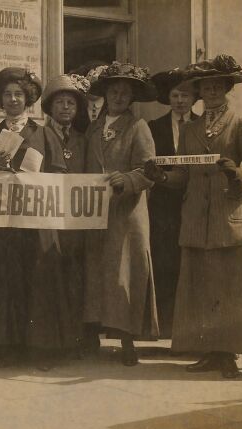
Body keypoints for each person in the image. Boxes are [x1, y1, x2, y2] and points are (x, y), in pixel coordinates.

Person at [144, 54, 242, 378]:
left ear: (227, 88)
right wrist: (159, 176)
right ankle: (211, 351)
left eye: (219, 85)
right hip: (196, 221)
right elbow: (182, 176)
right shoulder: (190, 129)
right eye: (207, 86)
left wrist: (240, 175)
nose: (213, 90)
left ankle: (228, 354)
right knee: (203, 288)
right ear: (199, 92)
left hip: (230, 218)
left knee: (231, 289)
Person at [0, 67, 67, 368]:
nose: (13, 99)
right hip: (4, 222)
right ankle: (7, 347)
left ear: (28, 99)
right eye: (7, 94)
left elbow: (59, 172)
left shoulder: (43, 132)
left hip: (37, 221)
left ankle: (40, 348)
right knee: (6, 279)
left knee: (39, 281)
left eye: (18, 94)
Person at [82, 61, 159, 366]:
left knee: (125, 275)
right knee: (96, 274)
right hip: (95, 212)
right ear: (105, 95)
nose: (118, 96)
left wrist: (126, 180)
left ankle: (128, 340)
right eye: (113, 91)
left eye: (124, 93)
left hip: (126, 213)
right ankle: (92, 335)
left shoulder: (139, 127)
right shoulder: (93, 128)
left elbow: (150, 171)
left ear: (131, 98)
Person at [32, 73, 93, 364]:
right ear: (50, 108)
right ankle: (46, 348)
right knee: (48, 278)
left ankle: (72, 343)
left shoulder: (84, 139)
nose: (66, 108)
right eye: (60, 103)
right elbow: (29, 173)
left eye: (71, 103)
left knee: (74, 279)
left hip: (76, 221)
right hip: (48, 219)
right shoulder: (39, 135)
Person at [147, 68, 199, 338]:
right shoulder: (154, 127)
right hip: (164, 206)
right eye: (176, 95)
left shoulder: (203, 126)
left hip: (196, 203)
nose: (180, 101)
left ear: (194, 99)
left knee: (191, 265)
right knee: (165, 262)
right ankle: (165, 326)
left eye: (186, 95)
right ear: (168, 98)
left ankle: (189, 327)